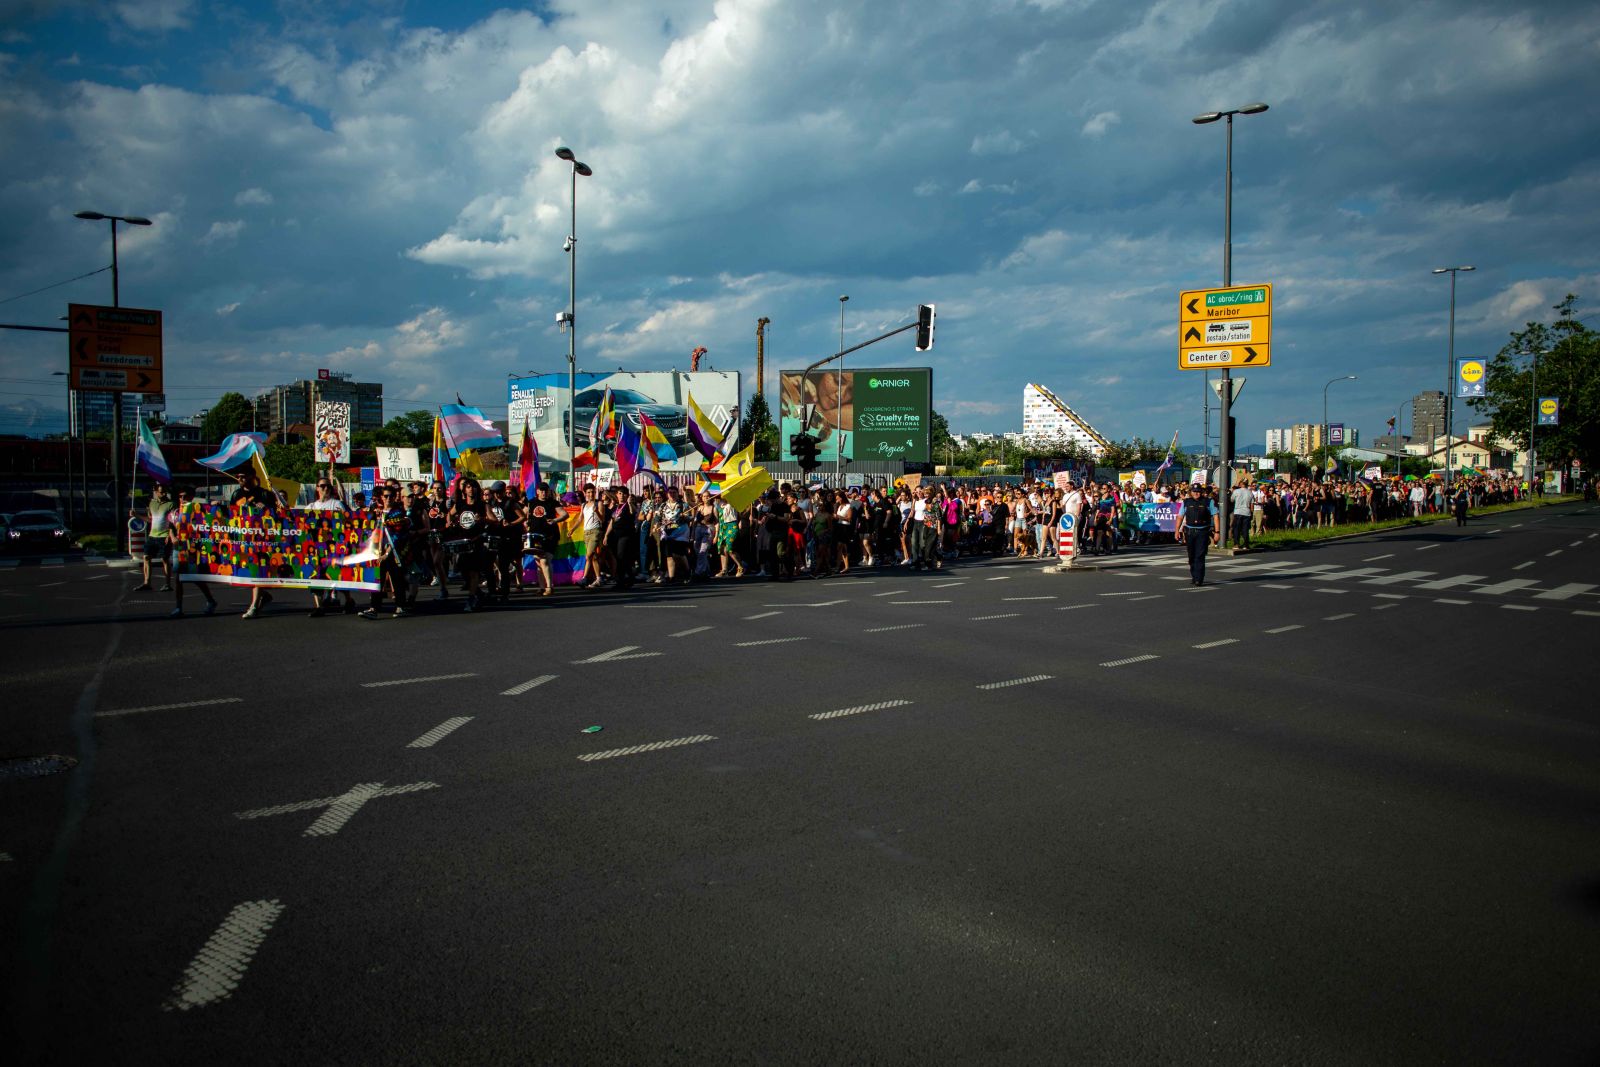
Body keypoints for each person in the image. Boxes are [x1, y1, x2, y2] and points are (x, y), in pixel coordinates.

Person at [168, 486, 218, 618]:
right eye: (180, 496)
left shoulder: (197, 511)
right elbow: (171, 528)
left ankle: (211, 600)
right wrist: (173, 538)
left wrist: (213, 505)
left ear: (191, 497)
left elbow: (209, 514)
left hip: (192, 548)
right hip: (178, 548)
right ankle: (178, 607)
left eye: (185, 496)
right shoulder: (175, 512)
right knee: (178, 578)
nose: (183, 499)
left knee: (195, 577)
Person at [134, 483, 174, 592]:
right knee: (146, 557)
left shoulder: (171, 504)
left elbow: (173, 522)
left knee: (165, 559)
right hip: (152, 535)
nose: (164, 493)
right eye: (161, 492)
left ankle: (167, 584)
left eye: (165, 491)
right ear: (156, 492)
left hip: (164, 536)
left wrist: (170, 535)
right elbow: (150, 519)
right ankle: (147, 583)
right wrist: (136, 515)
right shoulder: (152, 503)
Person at [1180, 482, 1218, 586]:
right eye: (1194, 491)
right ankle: (1194, 575)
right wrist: (1176, 531)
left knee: (1200, 555)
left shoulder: (1208, 502)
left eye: (1198, 491)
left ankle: (1199, 578)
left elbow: (1215, 516)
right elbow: (1180, 516)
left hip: (1203, 532)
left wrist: (1217, 532)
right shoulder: (1186, 502)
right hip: (1190, 532)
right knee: (1191, 555)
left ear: (1201, 492)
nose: (1196, 493)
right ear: (1191, 492)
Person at [524, 482, 558, 596]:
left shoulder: (553, 503)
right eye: (541, 490)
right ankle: (542, 587)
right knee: (538, 562)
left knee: (544, 560)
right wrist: (524, 521)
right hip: (535, 536)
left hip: (549, 536)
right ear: (537, 491)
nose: (543, 492)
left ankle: (549, 586)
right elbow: (523, 514)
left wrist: (555, 520)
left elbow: (565, 514)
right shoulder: (532, 502)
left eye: (545, 490)